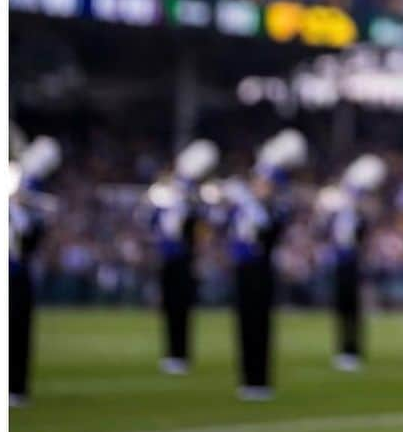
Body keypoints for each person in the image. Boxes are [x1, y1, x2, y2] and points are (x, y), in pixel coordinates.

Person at [226, 130, 306, 400]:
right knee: (244, 325)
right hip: (244, 268)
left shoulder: (272, 211)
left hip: (261, 270)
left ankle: (260, 381)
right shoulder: (245, 205)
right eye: (258, 181)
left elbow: (271, 230)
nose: (259, 185)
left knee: (261, 325)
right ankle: (247, 379)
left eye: (264, 182)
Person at [145, 139, 219, 375]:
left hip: (184, 258)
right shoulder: (166, 191)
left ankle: (181, 353)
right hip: (169, 257)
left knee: (182, 306)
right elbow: (152, 219)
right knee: (169, 305)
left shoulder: (194, 195)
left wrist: (187, 200)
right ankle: (171, 352)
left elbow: (202, 223)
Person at [317, 154, 387, 372]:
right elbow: (326, 224)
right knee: (342, 307)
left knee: (353, 308)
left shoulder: (361, 206)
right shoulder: (337, 203)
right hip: (340, 260)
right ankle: (343, 349)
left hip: (354, 260)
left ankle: (353, 349)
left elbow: (367, 222)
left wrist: (356, 204)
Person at [9, 135, 62, 406]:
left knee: (18, 330)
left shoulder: (31, 192)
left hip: (16, 272)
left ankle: (16, 388)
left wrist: (22, 205)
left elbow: (32, 233)